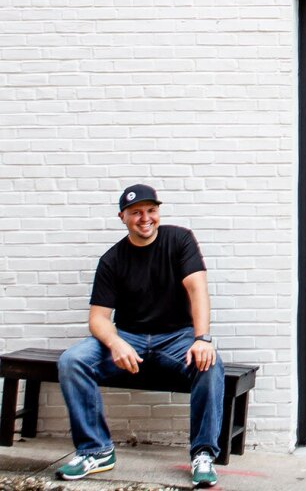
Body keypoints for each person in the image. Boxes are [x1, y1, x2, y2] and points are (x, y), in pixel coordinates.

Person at [55, 184, 223, 489]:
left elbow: (197, 288)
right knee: (72, 361)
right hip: (130, 338)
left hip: (177, 339)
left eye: (151, 210)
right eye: (136, 212)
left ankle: (202, 454)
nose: (145, 218)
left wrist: (202, 338)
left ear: (158, 212)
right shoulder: (112, 260)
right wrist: (116, 342)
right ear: (123, 217)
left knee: (209, 365)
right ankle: (96, 450)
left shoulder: (179, 240)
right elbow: (98, 318)